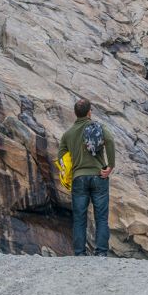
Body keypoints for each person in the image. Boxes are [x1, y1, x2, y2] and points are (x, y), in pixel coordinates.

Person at [58, 97, 115, 257]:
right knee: (101, 217)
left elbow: (61, 156)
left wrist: (71, 170)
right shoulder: (98, 127)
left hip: (79, 178)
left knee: (79, 218)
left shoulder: (68, 134)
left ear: (75, 113)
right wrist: (111, 165)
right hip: (99, 176)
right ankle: (101, 252)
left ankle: (79, 253)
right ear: (89, 112)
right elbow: (110, 140)